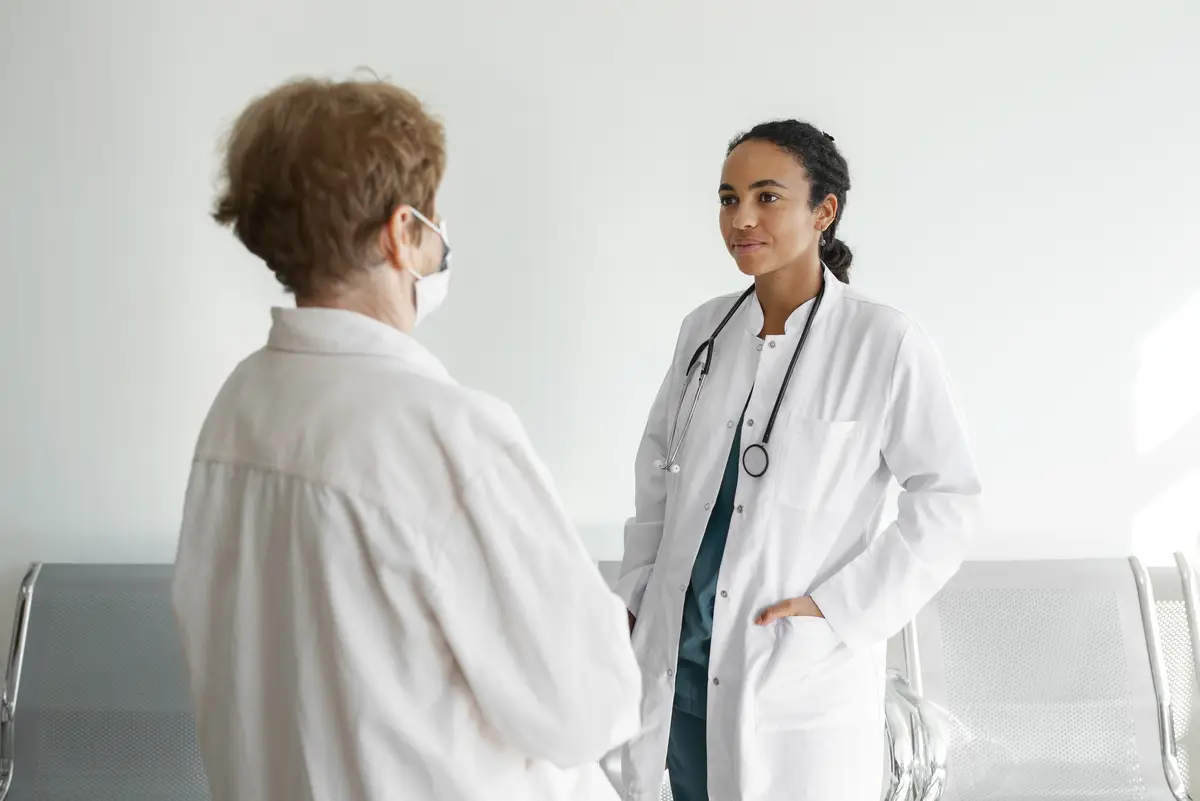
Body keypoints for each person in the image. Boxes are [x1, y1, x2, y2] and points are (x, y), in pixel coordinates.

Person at [171, 76, 641, 801]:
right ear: (400, 231)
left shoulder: (238, 407)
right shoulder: (443, 432)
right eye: (432, 219)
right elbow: (586, 706)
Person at [617, 121, 982, 801]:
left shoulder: (883, 340)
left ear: (824, 211)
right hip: (680, 665)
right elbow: (657, 473)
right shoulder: (704, 332)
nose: (741, 218)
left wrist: (838, 608)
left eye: (766, 196)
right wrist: (640, 585)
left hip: (791, 676)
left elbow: (949, 497)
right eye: (728, 199)